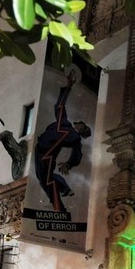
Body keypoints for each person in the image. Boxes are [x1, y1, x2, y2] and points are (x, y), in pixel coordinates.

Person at [34, 70, 91, 213]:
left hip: (46, 155)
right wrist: (68, 86)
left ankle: (61, 205)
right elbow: (59, 106)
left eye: (82, 126)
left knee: (46, 181)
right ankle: (63, 196)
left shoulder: (74, 136)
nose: (79, 123)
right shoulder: (65, 124)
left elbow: (77, 154)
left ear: (81, 131)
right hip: (42, 151)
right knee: (46, 180)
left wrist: (69, 163)